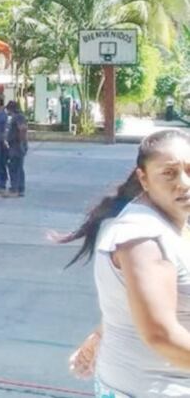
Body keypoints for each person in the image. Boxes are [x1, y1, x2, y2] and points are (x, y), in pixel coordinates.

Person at [61, 129, 190, 397]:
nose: (184, 182)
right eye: (169, 173)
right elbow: (160, 334)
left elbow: (138, 302)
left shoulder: (172, 224)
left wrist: (102, 332)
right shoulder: (143, 238)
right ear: (143, 178)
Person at [3, 101, 28, 198]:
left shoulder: (18, 117)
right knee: (16, 166)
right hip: (15, 144)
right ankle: (18, 188)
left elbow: (22, 129)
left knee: (15, 167)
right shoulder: (16, 117)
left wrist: (21, 142)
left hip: (16, 145)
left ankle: (16, 188)